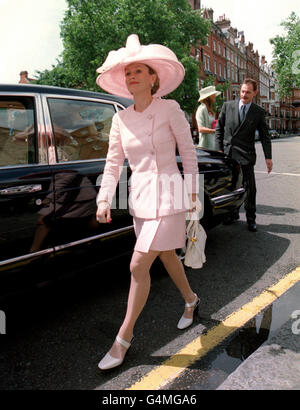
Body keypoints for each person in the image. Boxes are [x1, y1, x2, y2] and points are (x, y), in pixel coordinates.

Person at [95, 34, 200, 370]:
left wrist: (194, 194)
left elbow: (188, 153)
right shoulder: (120, 119)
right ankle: (191, 299)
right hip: (140, 200)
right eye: (128, 73)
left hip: (170, 197)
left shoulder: (170, 109)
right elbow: (113, 163)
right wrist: (104, 198)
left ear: (153, 78)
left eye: (138, 71)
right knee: (167, 256)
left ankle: (122, 340)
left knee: (138, 265)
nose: (132, 76)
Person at [215, 78, 273, 232]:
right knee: (230, 186)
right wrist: (219, 150)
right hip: (228, 154)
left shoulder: (258, 112)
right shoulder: (227, 106)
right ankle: (232, 214)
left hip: (246, 156)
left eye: (248, 92)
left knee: (249, 189)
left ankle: (251, 218)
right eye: (242, 91)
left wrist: (268, 157)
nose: (244, 94)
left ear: (254, 93)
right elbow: (219, 130)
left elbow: (265, 136)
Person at [195, 85, 221, 149]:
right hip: (205, 146)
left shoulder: (210, 110)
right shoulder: (201, 109)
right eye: (213, 94)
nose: (215, 95)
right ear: (208, 97)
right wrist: (215, 131)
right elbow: (200, 129)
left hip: (212, 144)